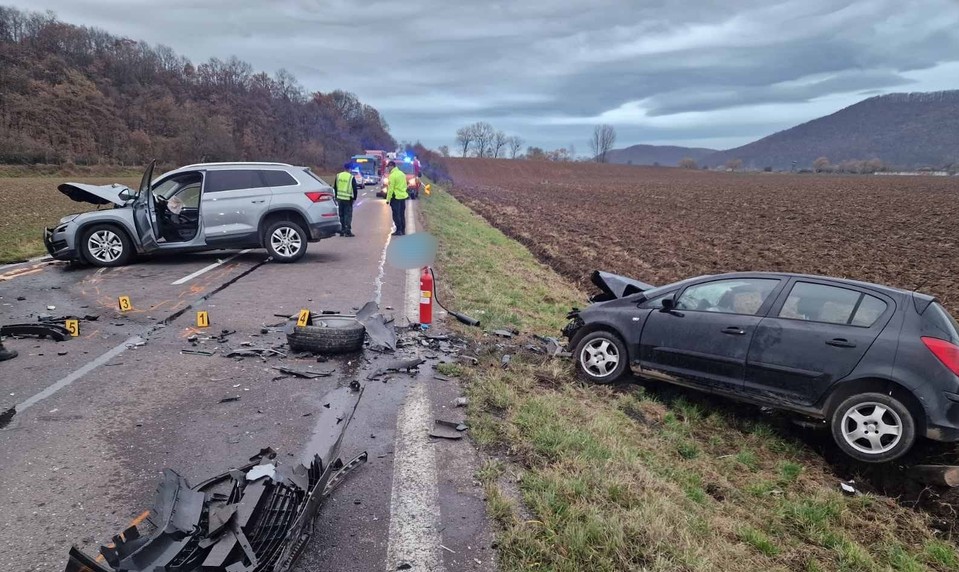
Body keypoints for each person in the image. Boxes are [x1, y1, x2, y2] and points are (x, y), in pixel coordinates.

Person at [334, 162, 359, 237]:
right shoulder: (351, 177)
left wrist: (336, 196)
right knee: (347, 215)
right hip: (348, 199)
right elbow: (355, 189)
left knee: (341, 215)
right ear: (349, 169)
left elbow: (335, 187)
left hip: (339, 198)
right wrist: (354, 198)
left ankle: (342, 229)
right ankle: (348, 231)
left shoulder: (338, 176)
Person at [385, 160, 409, 236]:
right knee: (402, 214)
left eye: (388, 167)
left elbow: (390, 188)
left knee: (396, 214)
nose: (388, 169)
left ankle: (398, 230)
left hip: (395, 197)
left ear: (392, 166)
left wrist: (388, 199)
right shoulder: (402, 174)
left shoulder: (392, 175)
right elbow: (405, 185)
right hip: (403, 196)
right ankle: (403, 230)